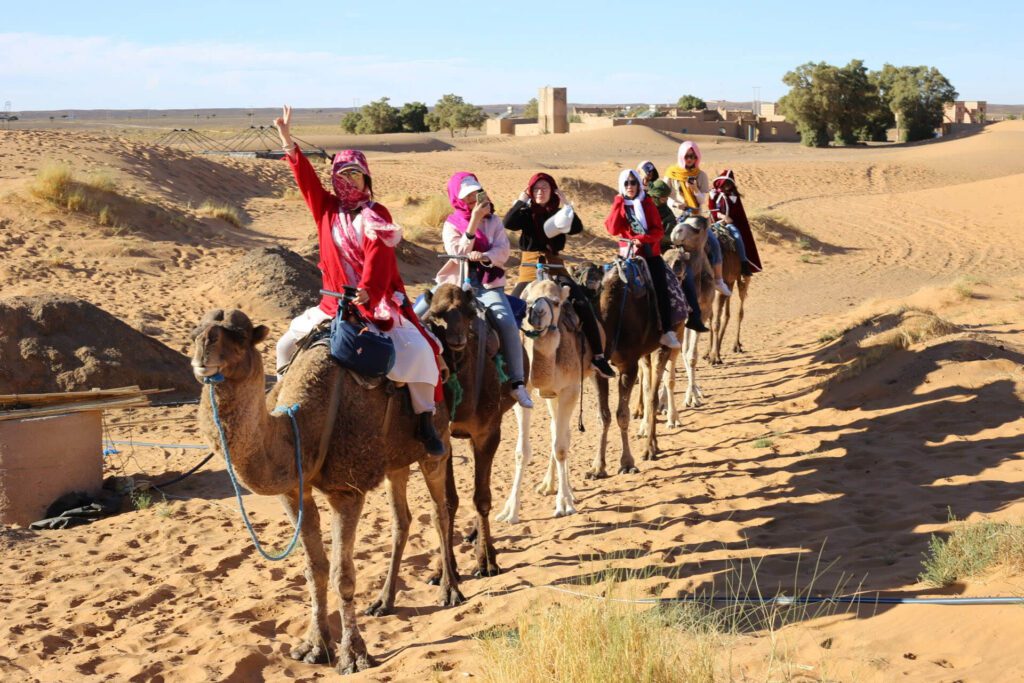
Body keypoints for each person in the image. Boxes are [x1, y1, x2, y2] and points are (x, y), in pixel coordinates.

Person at [272, 105, 446, 455]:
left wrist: (368, 291)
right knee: (285, 346)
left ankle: (425, 420)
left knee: (420, 355)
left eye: (355, 175)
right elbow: (305, 181)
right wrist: (288, 141)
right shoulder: (326, 209)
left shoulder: (376, 215)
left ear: (366, 178)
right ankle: (282, 411)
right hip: (332, 303)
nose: (349, 181)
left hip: (373, 303)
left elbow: (379, 259)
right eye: (343, 175)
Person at [417, 172, 534, 409]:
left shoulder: (494, 221)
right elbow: (456, 250)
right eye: (467, 196)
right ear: (458, 199)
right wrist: (472, 223)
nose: (472, 199)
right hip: (454, 282)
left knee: (506, 321)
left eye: (475, 193)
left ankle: (518, 383)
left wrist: (486, 256)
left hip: (487, 283)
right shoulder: (452, 223)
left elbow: (504, 250)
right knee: (416, 313)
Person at [503, 173, 616, 378]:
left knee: (581, 303)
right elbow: (508, 222)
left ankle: (598, 356)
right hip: (529, 267)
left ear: (552, 191)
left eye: (544, 188)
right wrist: (521, 200)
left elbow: (577, 228)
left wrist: (566, 206)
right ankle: (504, 361)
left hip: (555, 266)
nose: (540, 192)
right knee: (511, 307)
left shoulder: (559, 214)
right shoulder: (525, 213)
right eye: (536, 188)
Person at [604, 169, 682, 349]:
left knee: (661, 286)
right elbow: (613, 229)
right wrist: (618, 203)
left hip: (649, 254)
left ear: (639, 184)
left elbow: (658, 231)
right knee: (606, 286)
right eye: (626, 183)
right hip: (626, 255)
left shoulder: (647, 204)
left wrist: (640, 240)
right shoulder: (620, 204)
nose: (630, 186)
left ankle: (667, 331)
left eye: (633, 183)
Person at [664, 141, 731, 296]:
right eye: (687, 156)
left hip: (695, 218)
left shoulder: (700, 175)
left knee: (714, 245)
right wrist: (676, 204)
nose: (690, 159)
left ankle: (719, 280)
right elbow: (666, 197)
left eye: (693, 156)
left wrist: (695, 191)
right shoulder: (671, 173)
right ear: (681, 156)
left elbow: (702, 201)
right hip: (676, 216)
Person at [647, 179, 709, 333]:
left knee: (686, 274)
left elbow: (669, 234)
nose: (664, 200)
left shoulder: (666, 211)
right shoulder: (643, 209)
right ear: (654, 196)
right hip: (642, 249)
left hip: (664, 250)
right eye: (661, 198)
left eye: (665, 198)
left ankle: (694, 316)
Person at [708, 169, 762, 277]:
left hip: (729, 225)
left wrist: (728, 219)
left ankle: (743, 263)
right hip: (715, 223)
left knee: (737, 235)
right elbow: (711, 209)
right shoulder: (713, 195)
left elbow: (736, 215)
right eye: (725, 184)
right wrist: (721, 216)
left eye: (729, 185)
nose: (727, 187)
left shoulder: (733, 197)